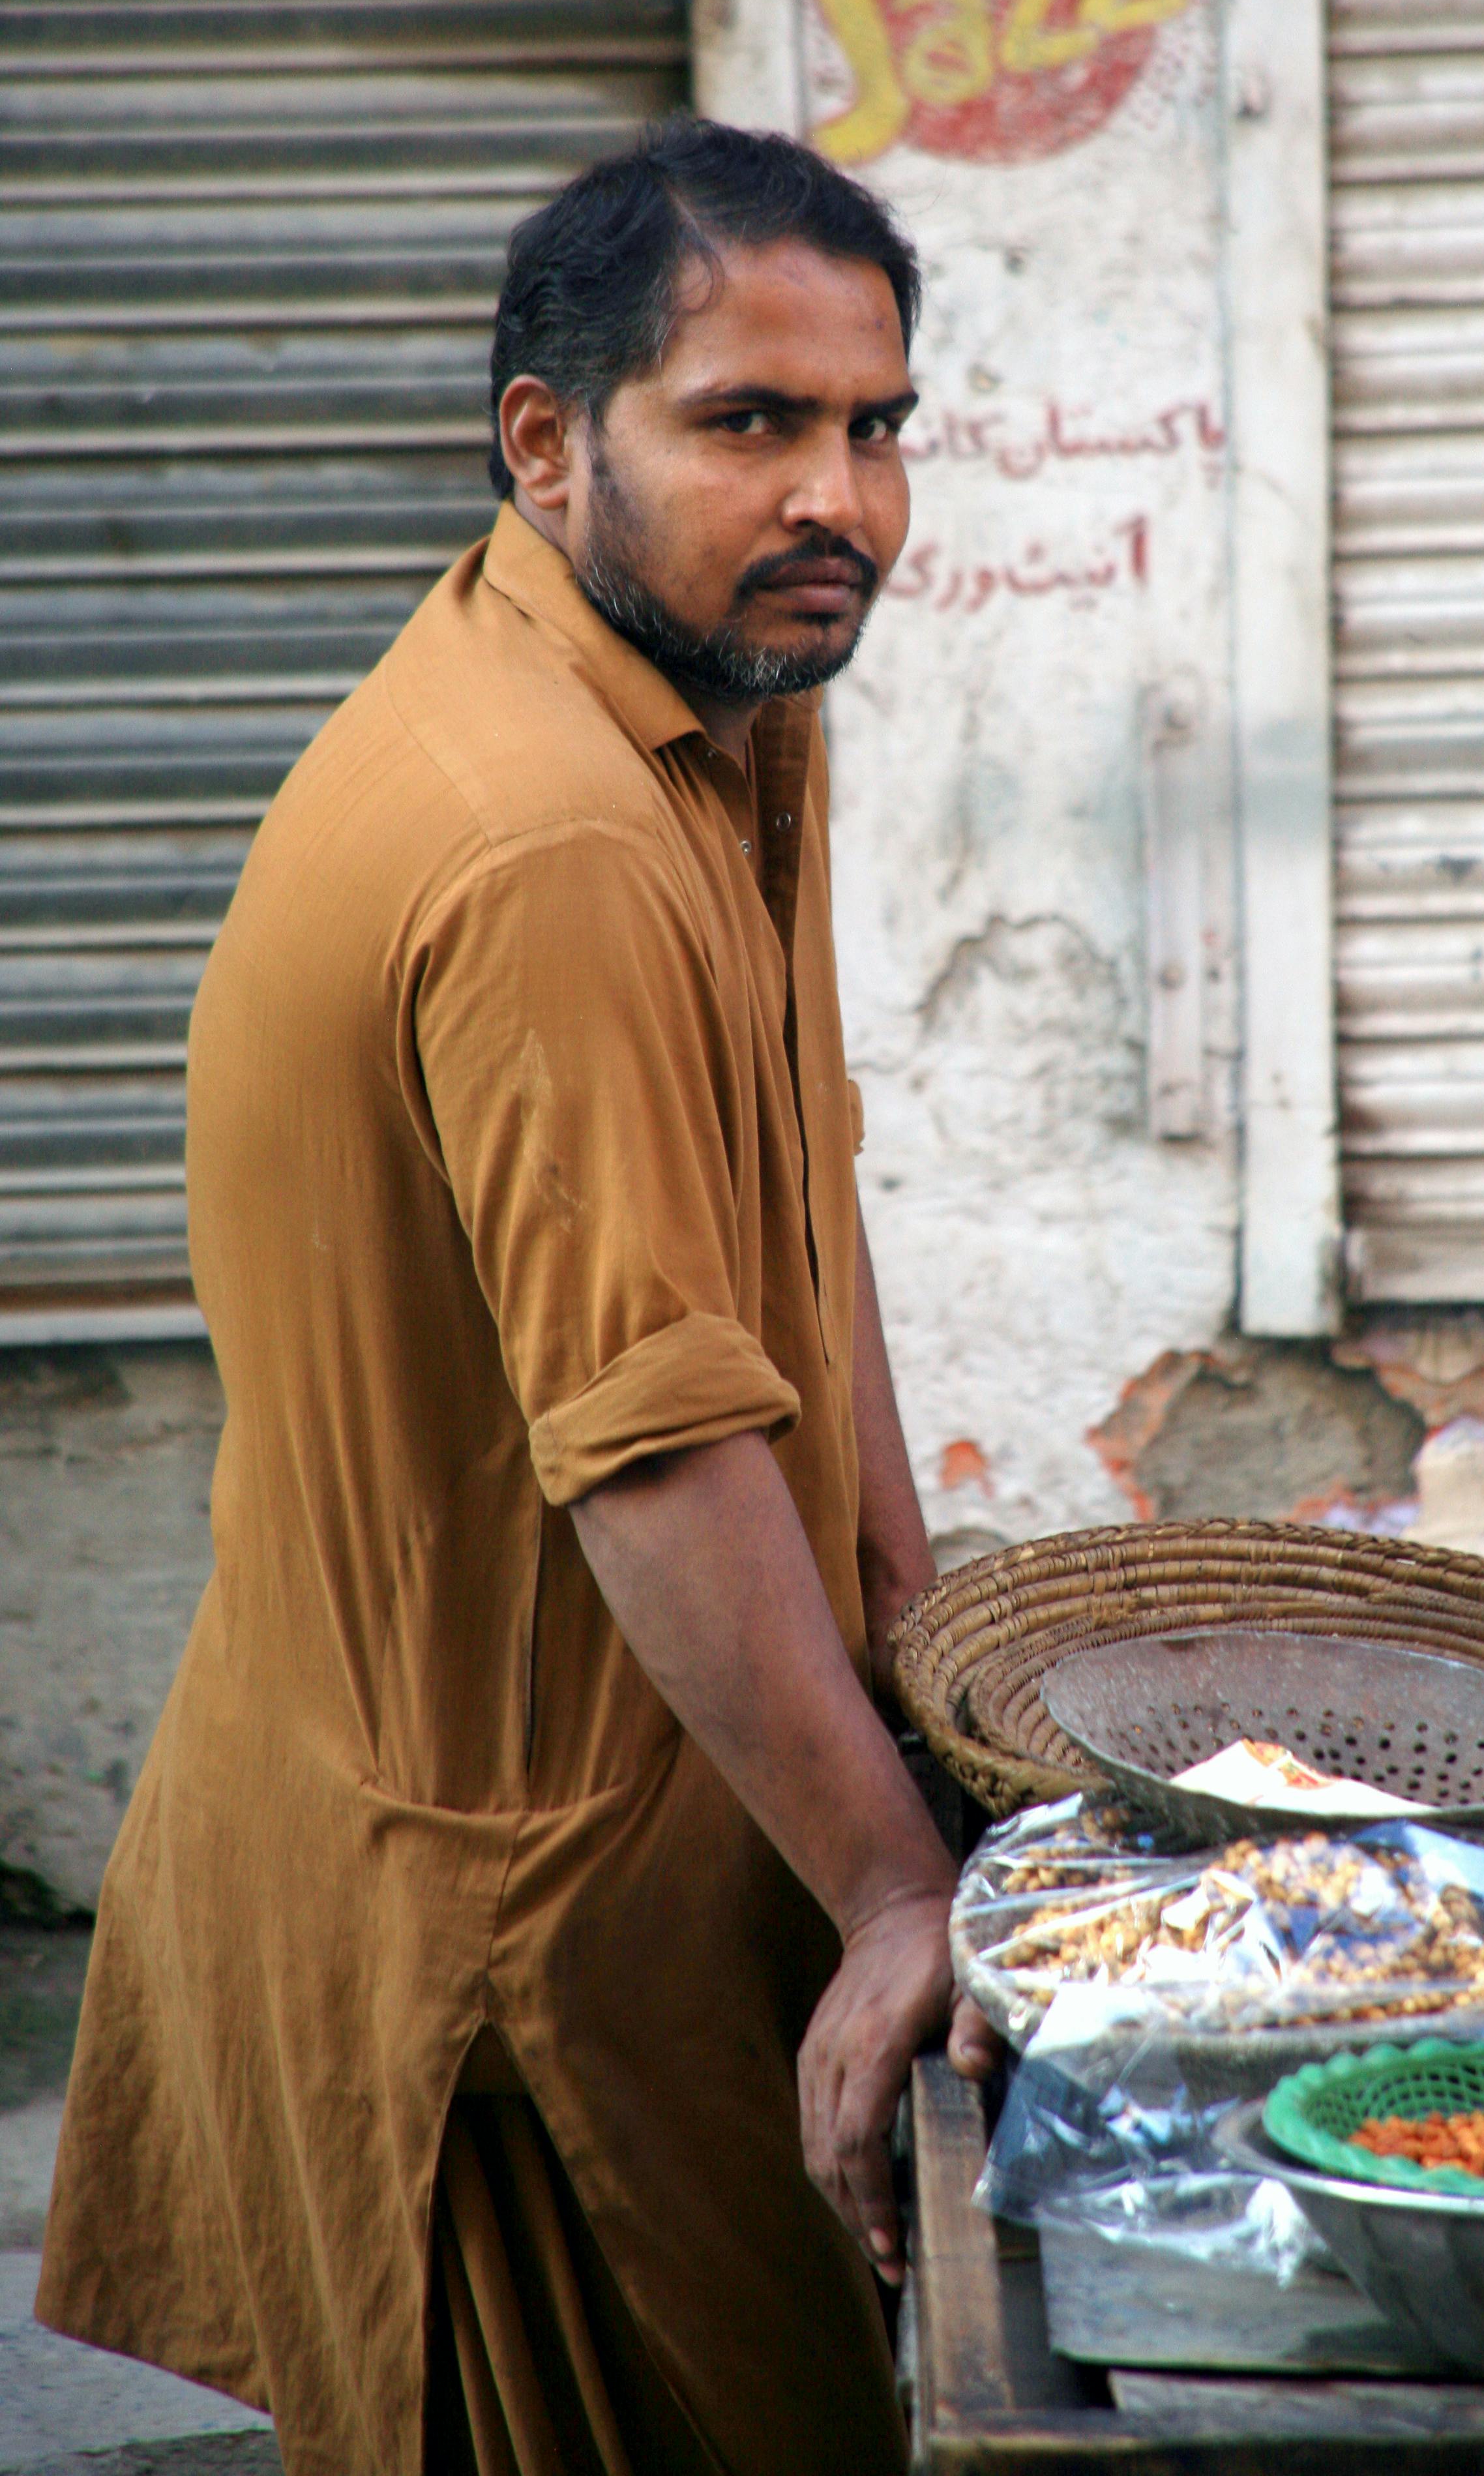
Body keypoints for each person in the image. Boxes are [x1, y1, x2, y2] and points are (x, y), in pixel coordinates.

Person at [37, 120, 999, 2476]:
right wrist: (896, 1891)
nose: (839, 501)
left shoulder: (723, 712)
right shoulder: (548, 830)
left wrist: (916, 1628)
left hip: (663, 1817)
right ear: (548, 444)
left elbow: (804, 1190)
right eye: (749, 421)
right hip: (507, 1909)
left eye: (876, 428)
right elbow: (654, 1437)